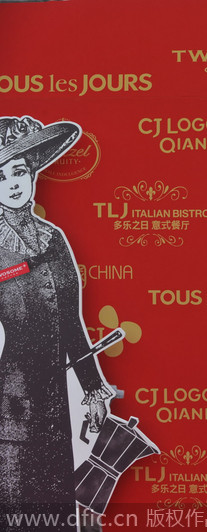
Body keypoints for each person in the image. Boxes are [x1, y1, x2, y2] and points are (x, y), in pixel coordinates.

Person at [0, 116, 112, 530]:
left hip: (52, 403)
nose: (13, 184)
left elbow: (71, 323)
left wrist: (92, 389)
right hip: (7, 404)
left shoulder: (53, 239)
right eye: (1, 177)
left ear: (32, 173)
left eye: (19, 171)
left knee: (54, 514)